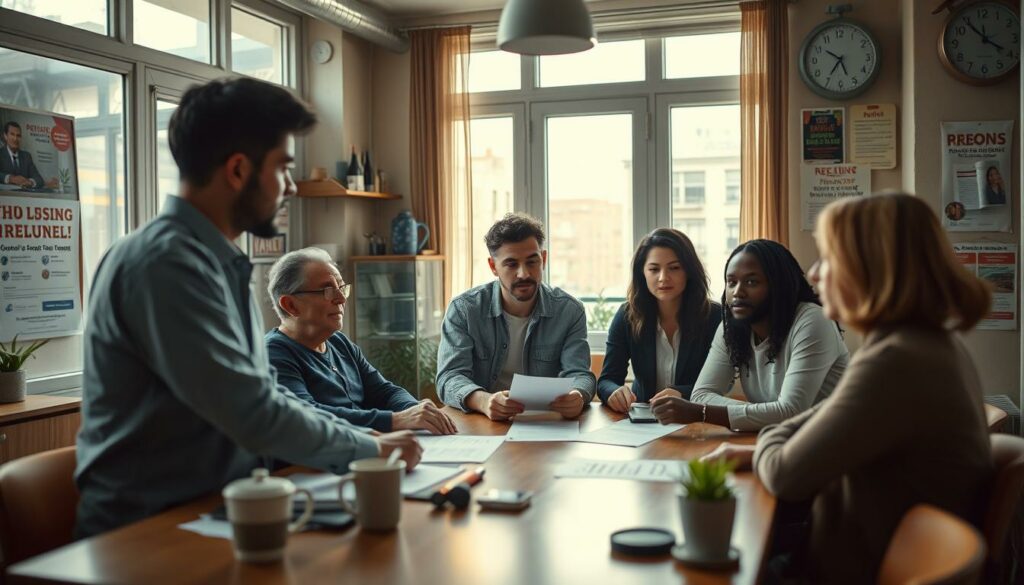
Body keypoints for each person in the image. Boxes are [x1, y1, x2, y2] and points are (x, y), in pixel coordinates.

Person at [75, 78, 421, 539]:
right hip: (151, 530)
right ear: (238, 170)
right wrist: (366, 447)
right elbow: (253, 411)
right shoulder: (167, 264)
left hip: (218, 510)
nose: (290, 188)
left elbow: (262, 403)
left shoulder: (211, 261)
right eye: (282, 168)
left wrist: (368, 440)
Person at [705, 193, 994, 583]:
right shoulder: (920, 343)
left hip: (847, 571)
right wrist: (778, 437)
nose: (814, 273)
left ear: (873, 268)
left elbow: (787, 473)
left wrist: (770, 440)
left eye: (829, 258)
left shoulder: (897, 361)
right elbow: (811, 420)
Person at [651, 239, 848, 431]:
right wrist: (764, 414)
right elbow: (701, 395)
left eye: (752, 282)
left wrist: (702, 413)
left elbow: (791, 411)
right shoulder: (732, 327)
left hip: (834, 445)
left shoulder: (813, 320)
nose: (738, 292)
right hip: (780, 438)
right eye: (731, 282)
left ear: (778, 285)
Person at [265, 247, 456, 434]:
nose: (341, 299)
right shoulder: (274, 353)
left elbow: (384, 391)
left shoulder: (339, 342)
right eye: (327, 291)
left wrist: (415, 411)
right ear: (290, 305)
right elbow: (306, 416)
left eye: (341, 287)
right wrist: (395, 420)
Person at [436, 213, 595, 421]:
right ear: (494, 267)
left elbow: (580, 374)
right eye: (511, 264)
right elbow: (449, 377)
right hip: (482, 422)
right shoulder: (464, 310)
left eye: (532, 262)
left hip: (546, 424)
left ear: (544, 259)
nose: (524, 274)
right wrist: (483, 401)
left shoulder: (569, 311)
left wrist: (578, 396)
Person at [598, 228, 721, 413]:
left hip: (695, 419)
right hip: (642, 420)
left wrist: (680, 393)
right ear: (643, 273)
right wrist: (614, 392)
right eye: (654, 269)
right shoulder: (626, 316)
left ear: (688, 271)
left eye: (674, 268)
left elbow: (719, 382)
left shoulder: (713, 316)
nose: (663, 278)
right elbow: (607, 380)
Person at [0, 121, 52, 189]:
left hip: (24, 197)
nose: (15, 139)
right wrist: (10, 178)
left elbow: (39, 179)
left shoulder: (26, 156)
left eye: (18, 136)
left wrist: (30, 182)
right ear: (5, 136)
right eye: (12, 134)